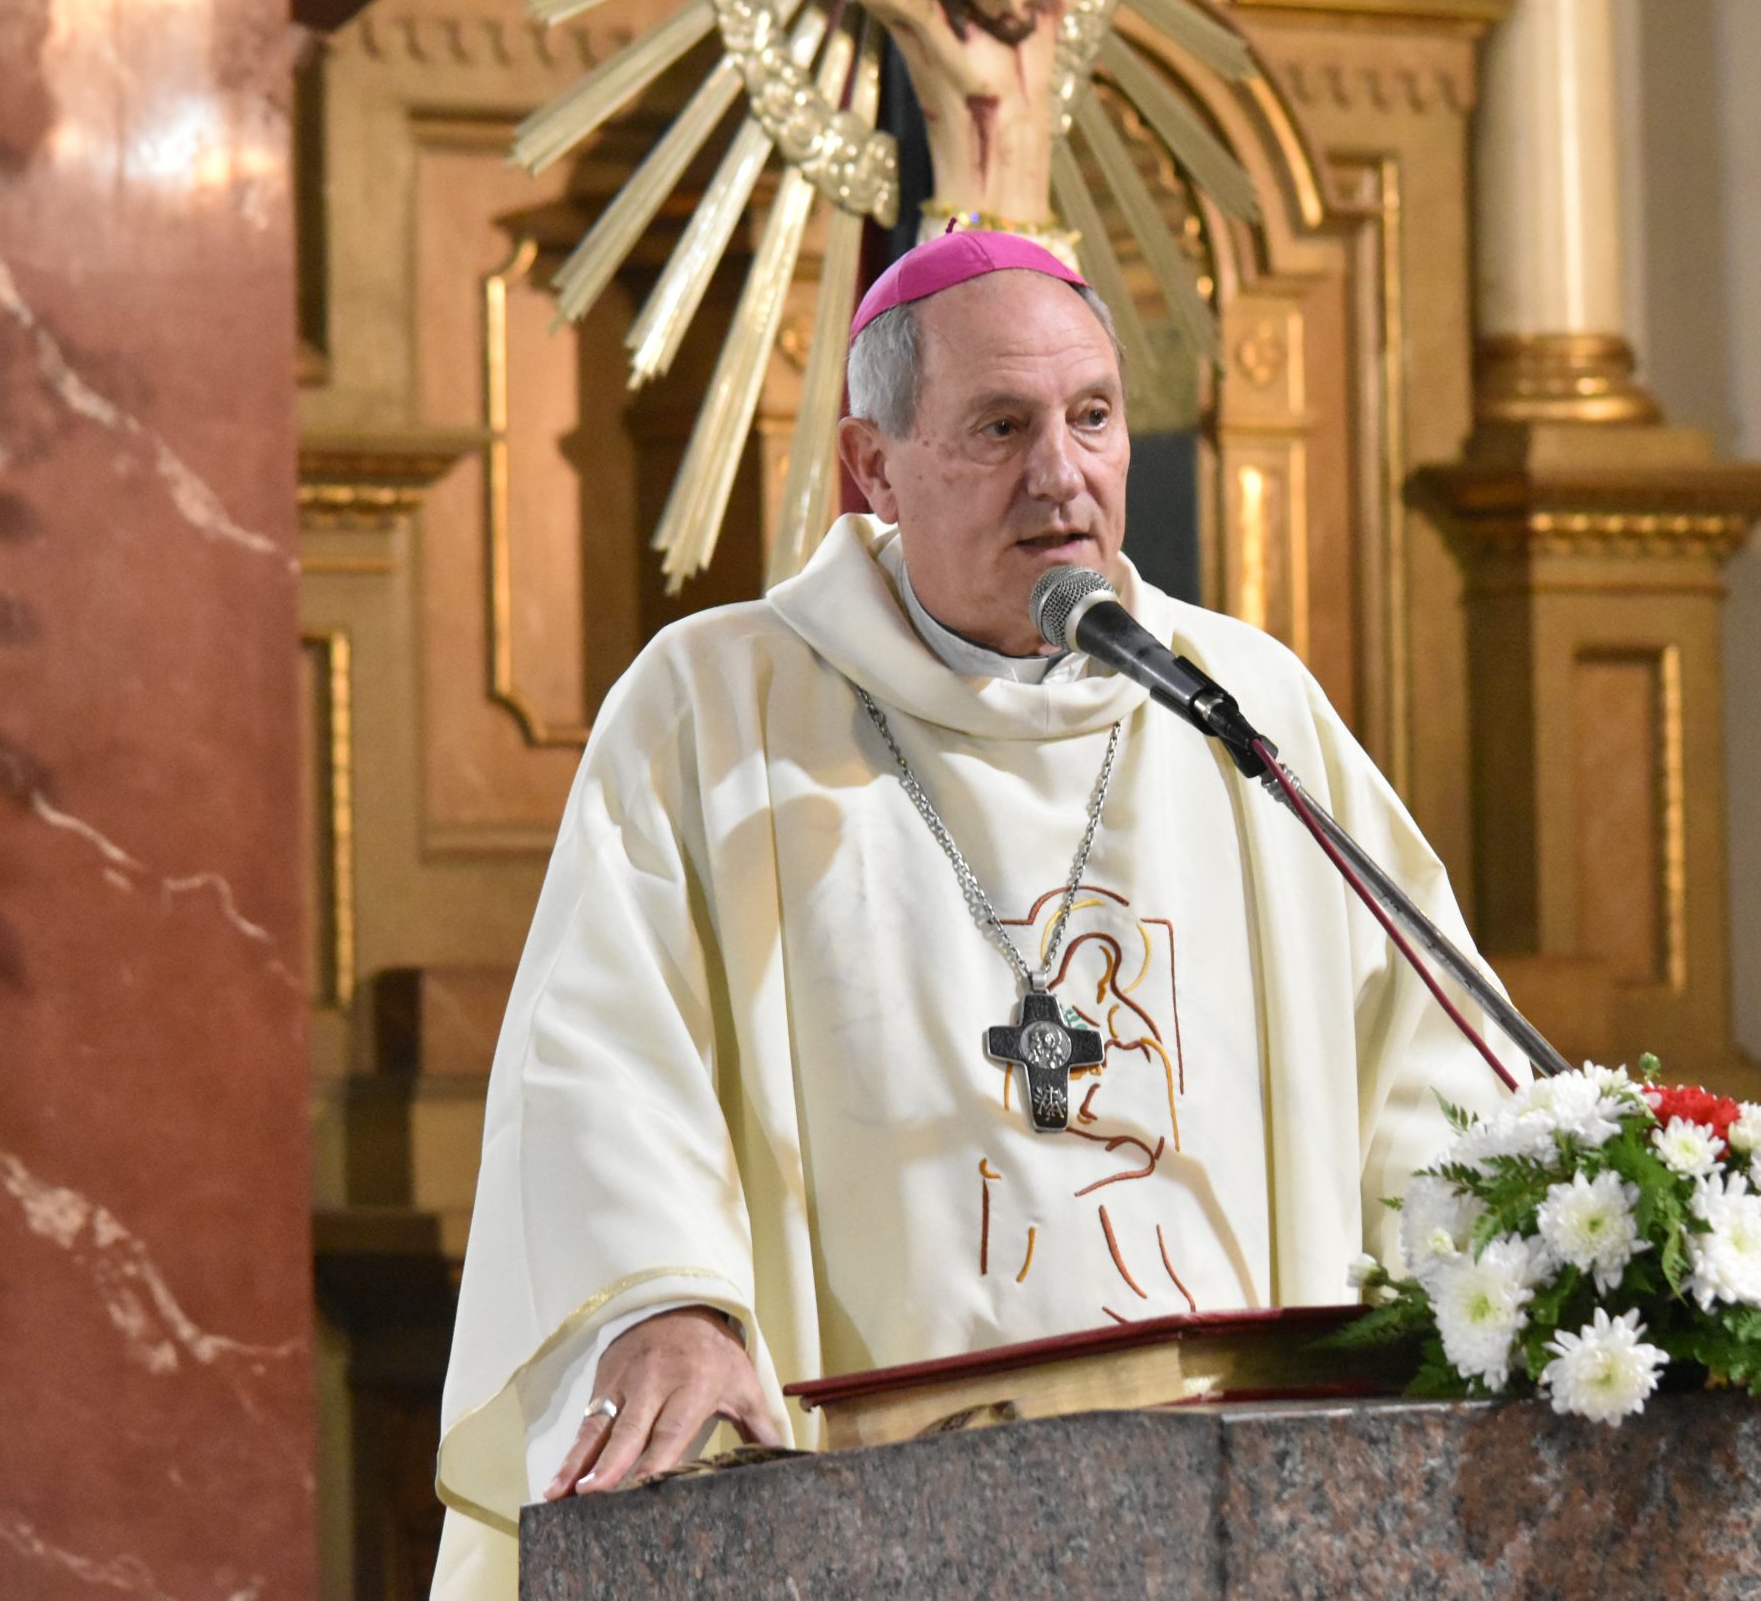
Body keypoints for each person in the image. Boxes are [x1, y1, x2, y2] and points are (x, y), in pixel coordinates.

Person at [424, 230, 1508, 1595]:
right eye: (1002, 425)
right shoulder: (720, 705)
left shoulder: (1244, 705)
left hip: (1242, 1503)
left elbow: (1425, 1057)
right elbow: (600, 1056)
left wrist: (1517, 1279)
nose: (1063, 475)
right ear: (872, 465)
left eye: (1094, 417)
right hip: (871, 1524)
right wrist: (665, 1300)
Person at [767, 0, 1142, 259]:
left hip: (1044, 240)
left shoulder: (1041, 17)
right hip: (966, 238)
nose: (1014, 3)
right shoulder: (936, 33)